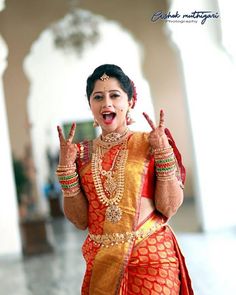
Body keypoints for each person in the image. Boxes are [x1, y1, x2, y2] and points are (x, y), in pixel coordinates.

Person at [56, 64, 194, 295]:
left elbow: (168, 207)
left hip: (153, 261)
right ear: (90, 105)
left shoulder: (151, 142)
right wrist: (66, 169)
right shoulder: (81, 154)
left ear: (130, 102)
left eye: (115, 95)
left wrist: (163, 152)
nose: (106, 103)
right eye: (98, 97)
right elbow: (80, 221)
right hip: (104, 263)